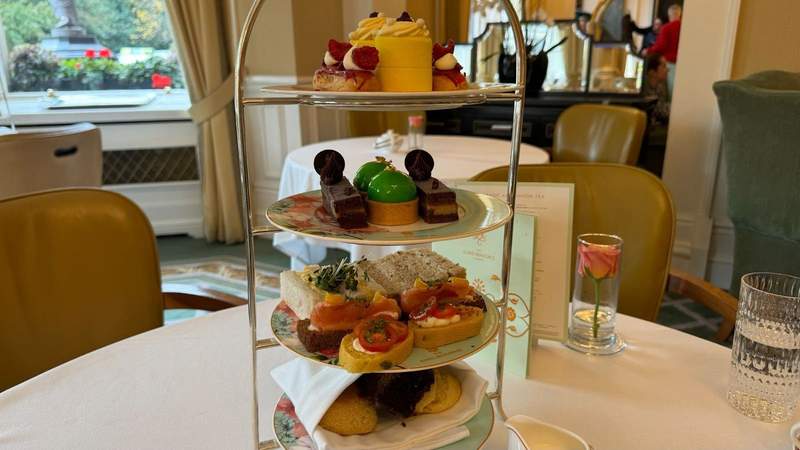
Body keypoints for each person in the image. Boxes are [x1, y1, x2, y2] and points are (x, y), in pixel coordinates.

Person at [644, 4, 681, 96]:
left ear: (669, 15)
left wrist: (647, 51)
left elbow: (660, 47)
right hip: (682, 64)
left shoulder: (666, 28)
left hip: (669, 64)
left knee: (669, 92)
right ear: (680, 14)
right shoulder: (686, 28)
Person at [642, 54, 671, 125]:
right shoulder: (643, 90)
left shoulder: (660, 86)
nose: (668, 70)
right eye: (664, 66)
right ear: (652, 72)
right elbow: (660, 111)